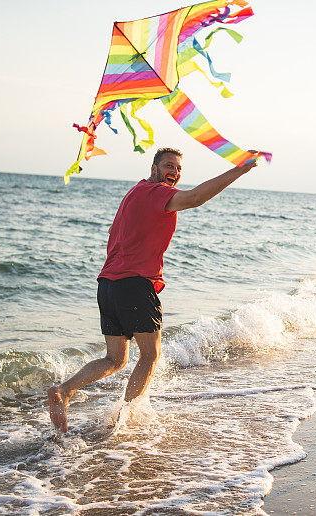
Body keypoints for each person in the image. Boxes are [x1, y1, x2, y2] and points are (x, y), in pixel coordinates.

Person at [48, 148, 258, 432]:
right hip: (134, 285)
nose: (174, 171)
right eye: (169, 165)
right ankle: (126, 421)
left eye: (179, 168)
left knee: (116, 359)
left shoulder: (134, 193)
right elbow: (195, 198)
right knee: (149, 355)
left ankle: (65, 391)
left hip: (108, 285)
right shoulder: (156, 192)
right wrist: (240, 170)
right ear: (154, 167)